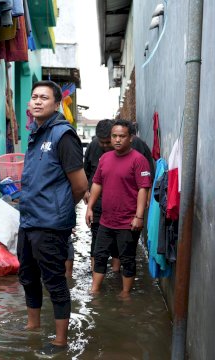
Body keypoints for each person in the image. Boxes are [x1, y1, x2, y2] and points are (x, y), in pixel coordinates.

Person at [17, 80, 88, 355]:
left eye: (44, 98)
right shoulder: (36, 133)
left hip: (49, 223)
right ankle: (32, 327)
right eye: (34, 97)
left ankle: (60, 342)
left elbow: (80, 185)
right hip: (29, 220)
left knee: (55, 281)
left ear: (57, 104)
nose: (36, 101)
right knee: (28, 276)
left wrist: (58, 209)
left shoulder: (62, 135)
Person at [85, 119, 152, 298]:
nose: (117, 140)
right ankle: (95, 290)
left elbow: (143, 189)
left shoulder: (139, 160)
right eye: (114, 136)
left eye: (122, 136)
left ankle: (125, 293)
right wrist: (90, 207)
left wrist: (139, 216)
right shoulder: (105, 158)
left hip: (127, 221)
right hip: (106, 220)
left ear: (130, 138)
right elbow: (97, 183)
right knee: (99, 255)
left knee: (127, 258)